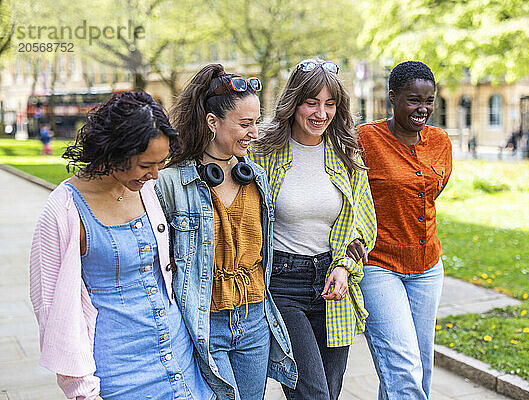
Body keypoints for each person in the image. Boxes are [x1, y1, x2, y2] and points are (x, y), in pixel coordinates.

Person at [29, 91, 215, 399]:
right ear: (113, 151)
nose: (156, 174)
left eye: (161, 163)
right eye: (146, 164)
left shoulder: (148, 189)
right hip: (118, 373)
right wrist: (82, 390)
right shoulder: (64, 208)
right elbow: (52, 309)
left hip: (180, 360)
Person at [155, 64, 296, 400]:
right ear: (212, 122)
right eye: (245, 124)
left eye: (256, 122)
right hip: (204, 322)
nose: (255, 132)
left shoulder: (257, 178)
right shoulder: (171, 182)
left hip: (255, 319)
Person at [249, 58, 377, 400]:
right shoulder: (263, 151)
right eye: (312, 102)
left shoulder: (345, 153)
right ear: (294, 102)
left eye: (330, 104)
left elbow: (365, 222)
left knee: (330, 393)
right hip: (282, 283)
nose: (321, 113)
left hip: (333, 285)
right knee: (313, 394)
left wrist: (344, 268)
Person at [357, 61, 452, 400]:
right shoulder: (365, 139)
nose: (422, 108)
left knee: (420, 366)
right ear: (392, 98)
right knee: (403, 367)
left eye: (429, 100)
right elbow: (345, 193)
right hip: (379, 265)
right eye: (413, 100)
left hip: (428, 267)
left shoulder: (440, 142)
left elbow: (429, 193)